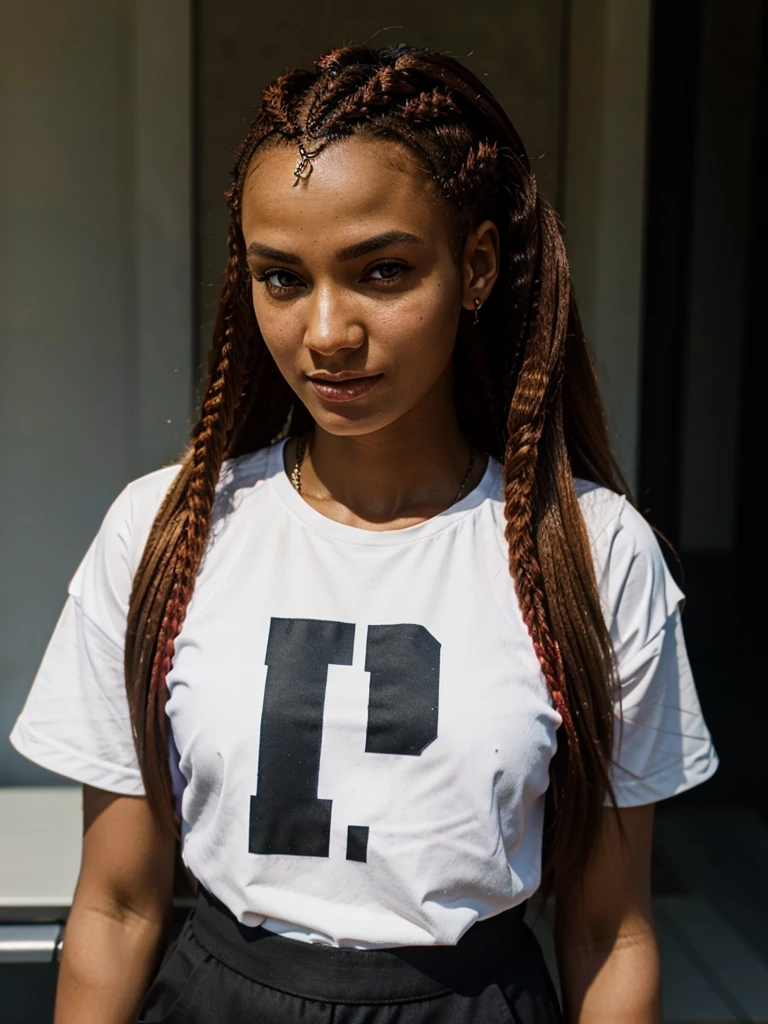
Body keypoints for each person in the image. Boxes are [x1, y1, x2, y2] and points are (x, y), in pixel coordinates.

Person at [10, 42, 718, 1024]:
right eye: (283, 278)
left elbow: (610, 931)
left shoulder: (593, 554)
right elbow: (119, 905)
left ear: (475, 266)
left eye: (381, 270)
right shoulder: (165, 532)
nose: (328, 331)